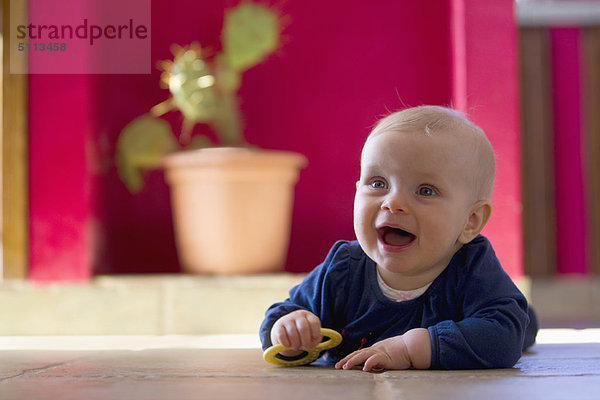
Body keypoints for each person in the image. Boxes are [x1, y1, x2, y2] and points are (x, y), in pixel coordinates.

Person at [259, 105, 538, 372]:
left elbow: (503, 335)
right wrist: (289, 332)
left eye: (425, 191)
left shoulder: (471, 266)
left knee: (521, 321)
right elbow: (280, 317)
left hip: (485, 315)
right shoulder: (343, 269)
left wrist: (411, 348)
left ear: (470, 221)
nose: (393, 203)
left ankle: (527, 313)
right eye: (378, 183)